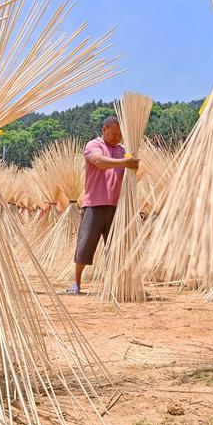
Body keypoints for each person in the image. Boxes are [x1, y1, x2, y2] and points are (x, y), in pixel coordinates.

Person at [66, 115, 139, 294]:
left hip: (116, 207)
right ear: (104, 129)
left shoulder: (123, 151)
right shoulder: (94, 145)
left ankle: (115, 285)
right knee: (85, 246)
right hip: (94, 204)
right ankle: (76, 283)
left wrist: (131, 163)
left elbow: (131, 170)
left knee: (116, 249)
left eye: (120, 134)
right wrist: (125, 162)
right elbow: (99, 162)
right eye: (114, 133)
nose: (117, 137)